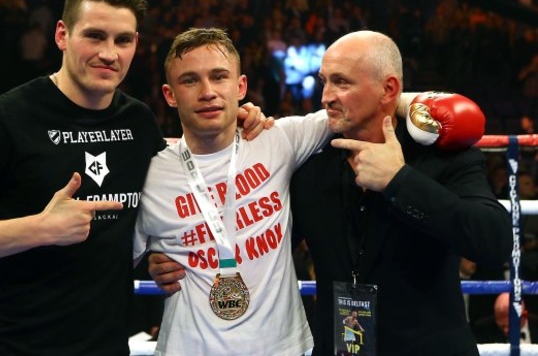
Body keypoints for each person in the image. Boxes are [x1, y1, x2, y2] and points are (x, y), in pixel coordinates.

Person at [0, 0, 269, 356]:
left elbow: (171, 198)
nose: (109, 53)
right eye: (95, 36)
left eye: (123, 40)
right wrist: (39, 228)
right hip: (10, 346)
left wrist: (242, 121)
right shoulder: (1, 119)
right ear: (62, 35)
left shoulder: (138, 122)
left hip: (107, 347)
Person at [148, 30, 511, 356]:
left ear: (388, 90)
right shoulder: (311, 169)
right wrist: (176, 256)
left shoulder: (440, 157)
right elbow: (258, 244)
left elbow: (493, 241)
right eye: (324, 81)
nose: (326, 96)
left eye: (341, 82)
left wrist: (399, 181)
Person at [132, 27, 331, 355]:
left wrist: (423, 104)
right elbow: (103, 263)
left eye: (219, 76)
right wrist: (149, 262)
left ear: (241, 87)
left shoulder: (277, 139)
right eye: (190, 80)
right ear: (169, 95)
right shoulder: (149, 174)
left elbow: (356, 106)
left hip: (282, 349)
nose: (207, 91)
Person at [472, 292, 538, 343]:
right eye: (502, 326)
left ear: (524, 316)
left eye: (509, 325)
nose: (505, 330)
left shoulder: (536, 324)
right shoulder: (483, 331)